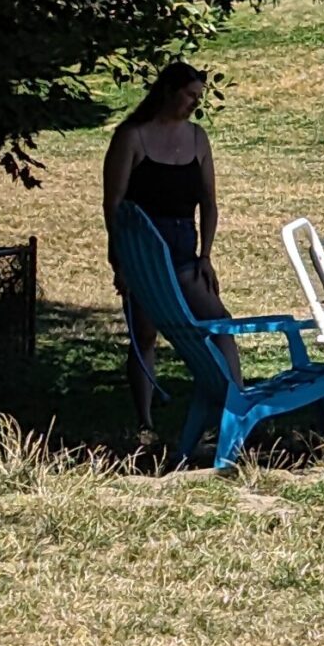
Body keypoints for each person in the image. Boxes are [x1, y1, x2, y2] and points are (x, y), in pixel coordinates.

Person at [103, 61, 234, 433]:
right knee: (145, 334)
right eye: (190, 95)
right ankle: (144, 420)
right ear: (168, 90)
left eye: (198, 97)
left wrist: (206, 256)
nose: (195, 103)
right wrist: (120, 261)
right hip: (145, 252)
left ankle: (231, 407)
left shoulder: (197, 138)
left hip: (185, 251)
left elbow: (209, 202)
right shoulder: (131, 136)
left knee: (218, 323)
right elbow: (113, 204)